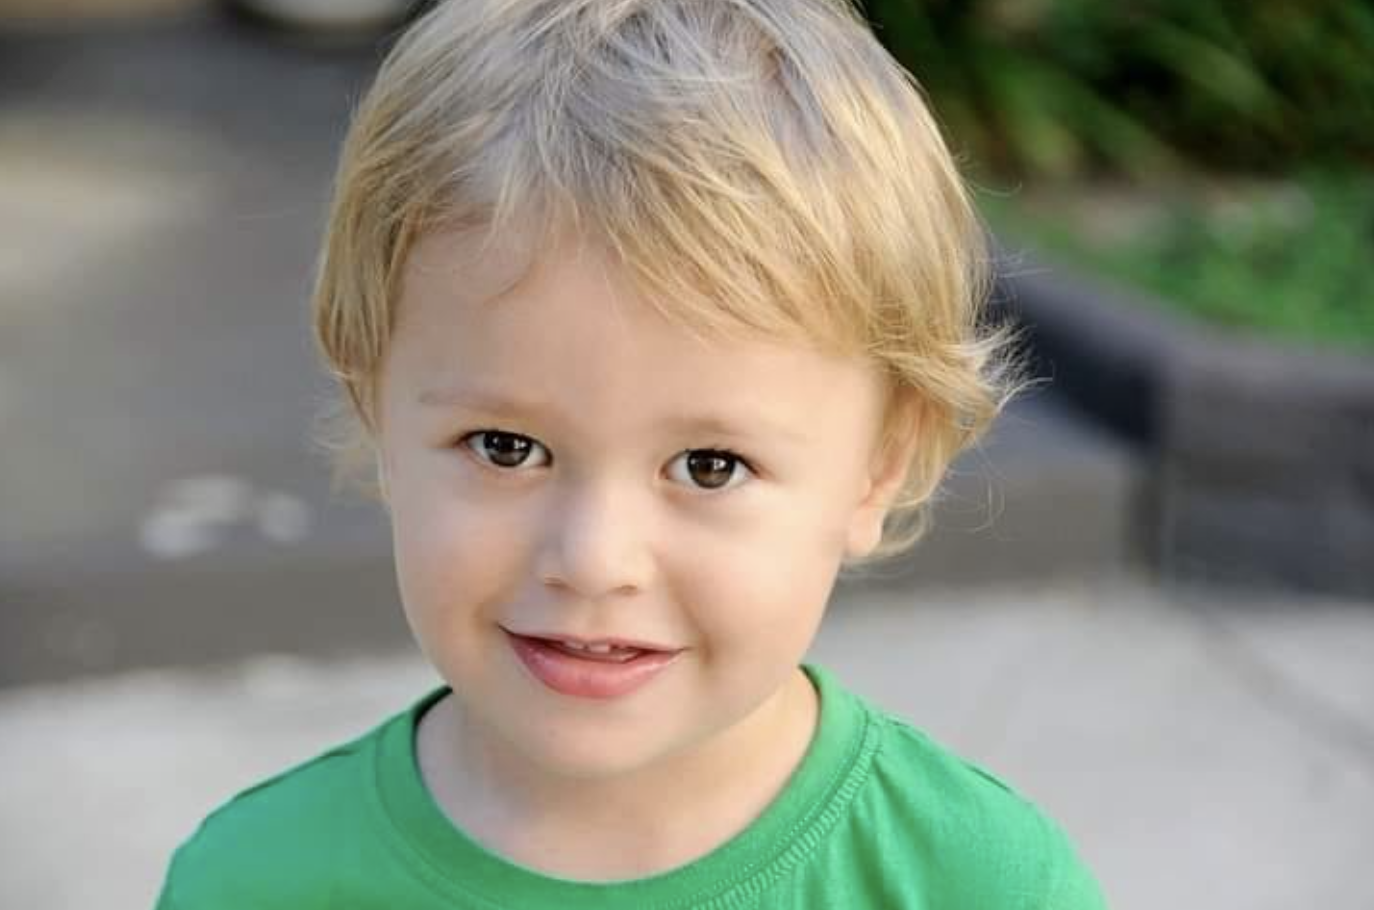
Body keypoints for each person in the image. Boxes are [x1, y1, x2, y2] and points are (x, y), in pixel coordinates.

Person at [156, 0, 1108, 906]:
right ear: (376, 409)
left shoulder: (984, 887)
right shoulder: (255, 885)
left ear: (879, 468)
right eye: (506, 447)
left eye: (709, 466)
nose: (594, 559)